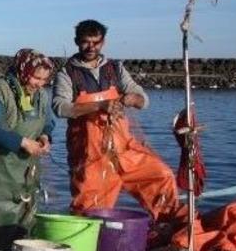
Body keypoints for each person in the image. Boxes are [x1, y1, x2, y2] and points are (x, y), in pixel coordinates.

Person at [51, 19, 180, 225]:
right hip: (91, 157)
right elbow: (60, 107)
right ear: (77, 42)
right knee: (89, 211)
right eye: (85, 42)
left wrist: (132, 99)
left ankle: (170, 228)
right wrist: (100, 106)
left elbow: (143, 99)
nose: (91, 47)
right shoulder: (67, 74)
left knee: (161, 176)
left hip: (125, 151)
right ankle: (90, 249)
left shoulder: (116, 69)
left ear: (103, 42)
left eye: (96, 42)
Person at [0, 48, 55, 251]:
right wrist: (23, 142)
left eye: (44, 80)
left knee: (24, 220)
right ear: (23, 71)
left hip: (27, 170)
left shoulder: (41, 96)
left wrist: (45, 137)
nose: (39, 84)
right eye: (36, 78)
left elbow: (48, 122)